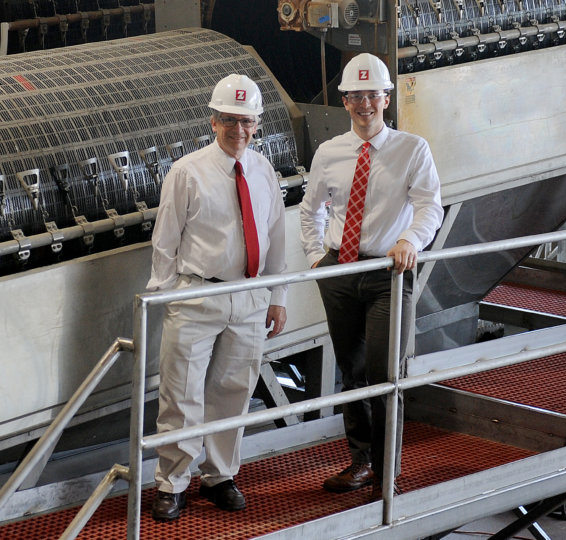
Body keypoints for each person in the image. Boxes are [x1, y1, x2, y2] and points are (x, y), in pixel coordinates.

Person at [299, 53, 443, 495]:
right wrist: (315, 259)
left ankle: (387, 471)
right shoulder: (329, 152)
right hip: (341, 270)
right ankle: (360, 461)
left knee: (385, 374)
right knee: (351, 372)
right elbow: (310, 212)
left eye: (373, 95)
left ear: (387, 98)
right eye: (356, 96)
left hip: (387, 275)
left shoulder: (411, 149)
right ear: (345, 102)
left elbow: (430, 207)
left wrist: (410, 241)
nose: (365, 104)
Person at [146, 73, 288, 522]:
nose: (239, 130)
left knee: (233, 391)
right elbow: (164, 242)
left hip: (248, 297)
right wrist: (167, 297)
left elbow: (276, 239)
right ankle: (172, 482)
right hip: (197, 295)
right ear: (213, 121)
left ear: (257, 124)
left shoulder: (263, 170)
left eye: (247, 122)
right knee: (182, 394)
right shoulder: (187, 171)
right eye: (229, 120)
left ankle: (220, 475)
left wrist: (276, 296)